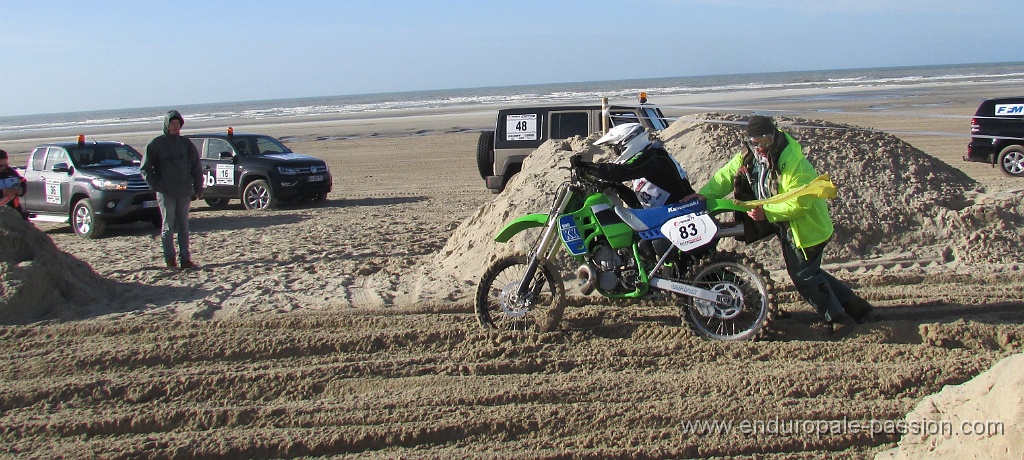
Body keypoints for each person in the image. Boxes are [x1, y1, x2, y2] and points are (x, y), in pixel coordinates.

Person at [693, 115, 874, 338]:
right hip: (784, 223)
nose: (760, 148)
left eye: (765, 142)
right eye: (755, 142)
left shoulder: (794, 164)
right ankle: (859, 308)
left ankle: (837, 318)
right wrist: (703, 195)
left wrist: (766, 213)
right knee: (810, 272)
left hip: (806, 227)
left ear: (774, 136)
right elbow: (726, 176)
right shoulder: (749, 156)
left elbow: (800, 204)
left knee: (803, 277)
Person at [571, 123, 696, 209]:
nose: (615, 153)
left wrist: (586, 167)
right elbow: (642, 204)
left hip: (681, 211)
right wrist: (618, 188)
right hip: (666, 212)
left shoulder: (652, 157)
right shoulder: (648, 157)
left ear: (627, 142)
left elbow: (621, 172)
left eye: (616, 148)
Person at [141, 110, 203, 269]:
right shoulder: (156, 144)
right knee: (168, 227)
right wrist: (156, 185)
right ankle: (170, 259)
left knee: (184, 226)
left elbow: (196, 167)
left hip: (184, 190)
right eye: (172, 123)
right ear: (166, 125)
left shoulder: (186, 144)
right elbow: (145, 168)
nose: (175, 127)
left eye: (177, 123)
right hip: (166, 191)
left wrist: (198, 186)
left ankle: (186, 259)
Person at [0, 149, 29, 220]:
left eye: (5, 165)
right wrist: (2, 193)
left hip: (14, 210)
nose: (3, 167)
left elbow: (22, 181)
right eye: (0, 165)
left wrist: (21, 190)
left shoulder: (11, 172)